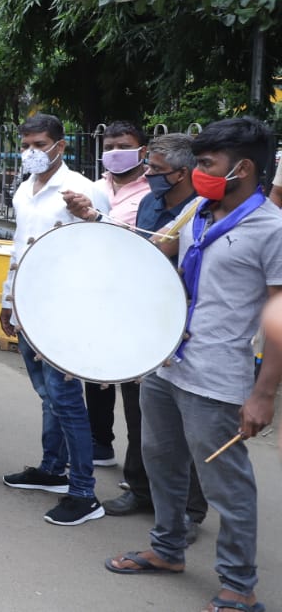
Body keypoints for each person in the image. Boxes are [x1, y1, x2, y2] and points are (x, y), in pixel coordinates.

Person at [103, 118, 282, 612]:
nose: (196, 172)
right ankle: (167, 550)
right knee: (162, 463)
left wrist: (263, 394)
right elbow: (157, 258)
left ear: (242, 167)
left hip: (217, 377)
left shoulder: (271, 229)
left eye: (206, 164)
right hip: (168, 362)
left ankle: (239, 586)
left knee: (227, 485)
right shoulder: (198, 211)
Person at [88, 134, 208, 527]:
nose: (149, 175)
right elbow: (137, 254)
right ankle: (140, 490)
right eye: (150, 167)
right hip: (140, 317)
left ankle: (190, 508)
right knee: (140, 412)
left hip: (181, 325)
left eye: (156, 170)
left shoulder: (201, 212)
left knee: (179, 424)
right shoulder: (149, 203)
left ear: (183, 173)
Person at [0, 114, 109, 526]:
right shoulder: (25, 190)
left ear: (60, 145)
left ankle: (84, 492)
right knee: (48, 396)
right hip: (28, 305)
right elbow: (16, 249)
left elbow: (105, 245)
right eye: (25, 143)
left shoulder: (82, 188)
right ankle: (52, 470)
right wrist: (8, 301)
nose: (32, 152)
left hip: (66, 310)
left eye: (40, 143)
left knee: (65, 400)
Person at [85, 121, 152, 468]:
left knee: (133, 380)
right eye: (109, 146)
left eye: (122, 145)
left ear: (142, 151)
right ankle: (100, 443)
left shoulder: (152, 193)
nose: (113, 153)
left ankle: (138, 462)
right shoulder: (95, 188)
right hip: (96, 287)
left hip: (133, 294)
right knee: (95, 371)